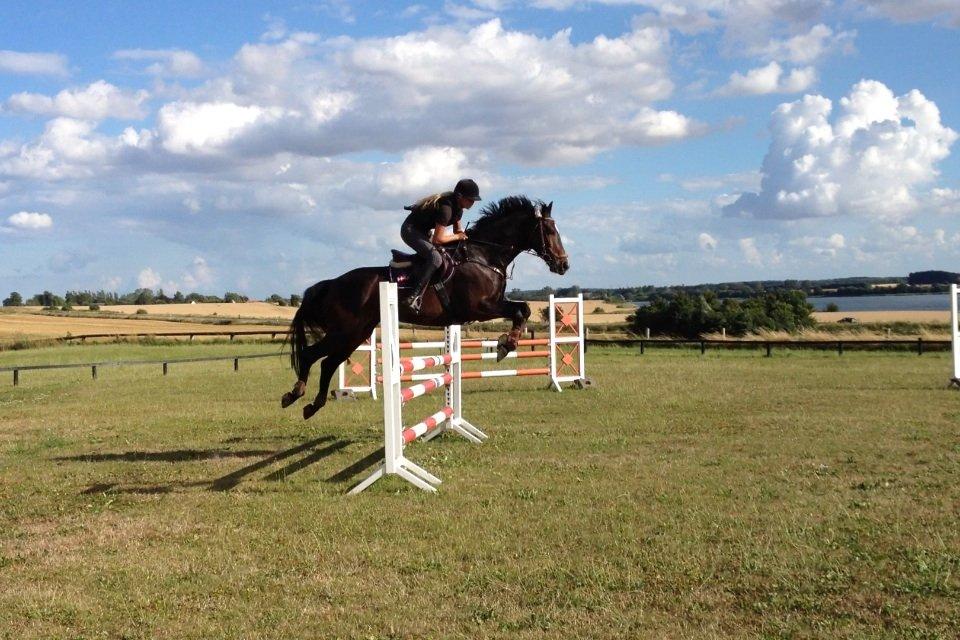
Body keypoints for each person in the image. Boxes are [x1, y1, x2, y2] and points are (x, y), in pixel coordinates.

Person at [400, 178, 481, 310]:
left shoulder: (458, 208)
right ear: (460, 196)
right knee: (436, 258)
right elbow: (438, 240)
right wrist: (458, 236)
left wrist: (466, 235)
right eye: (470, 199)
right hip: (410, 231)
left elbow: (457, 231)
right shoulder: (446, 209)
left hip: (423, 232)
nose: (473, 203)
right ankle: (413, 297)